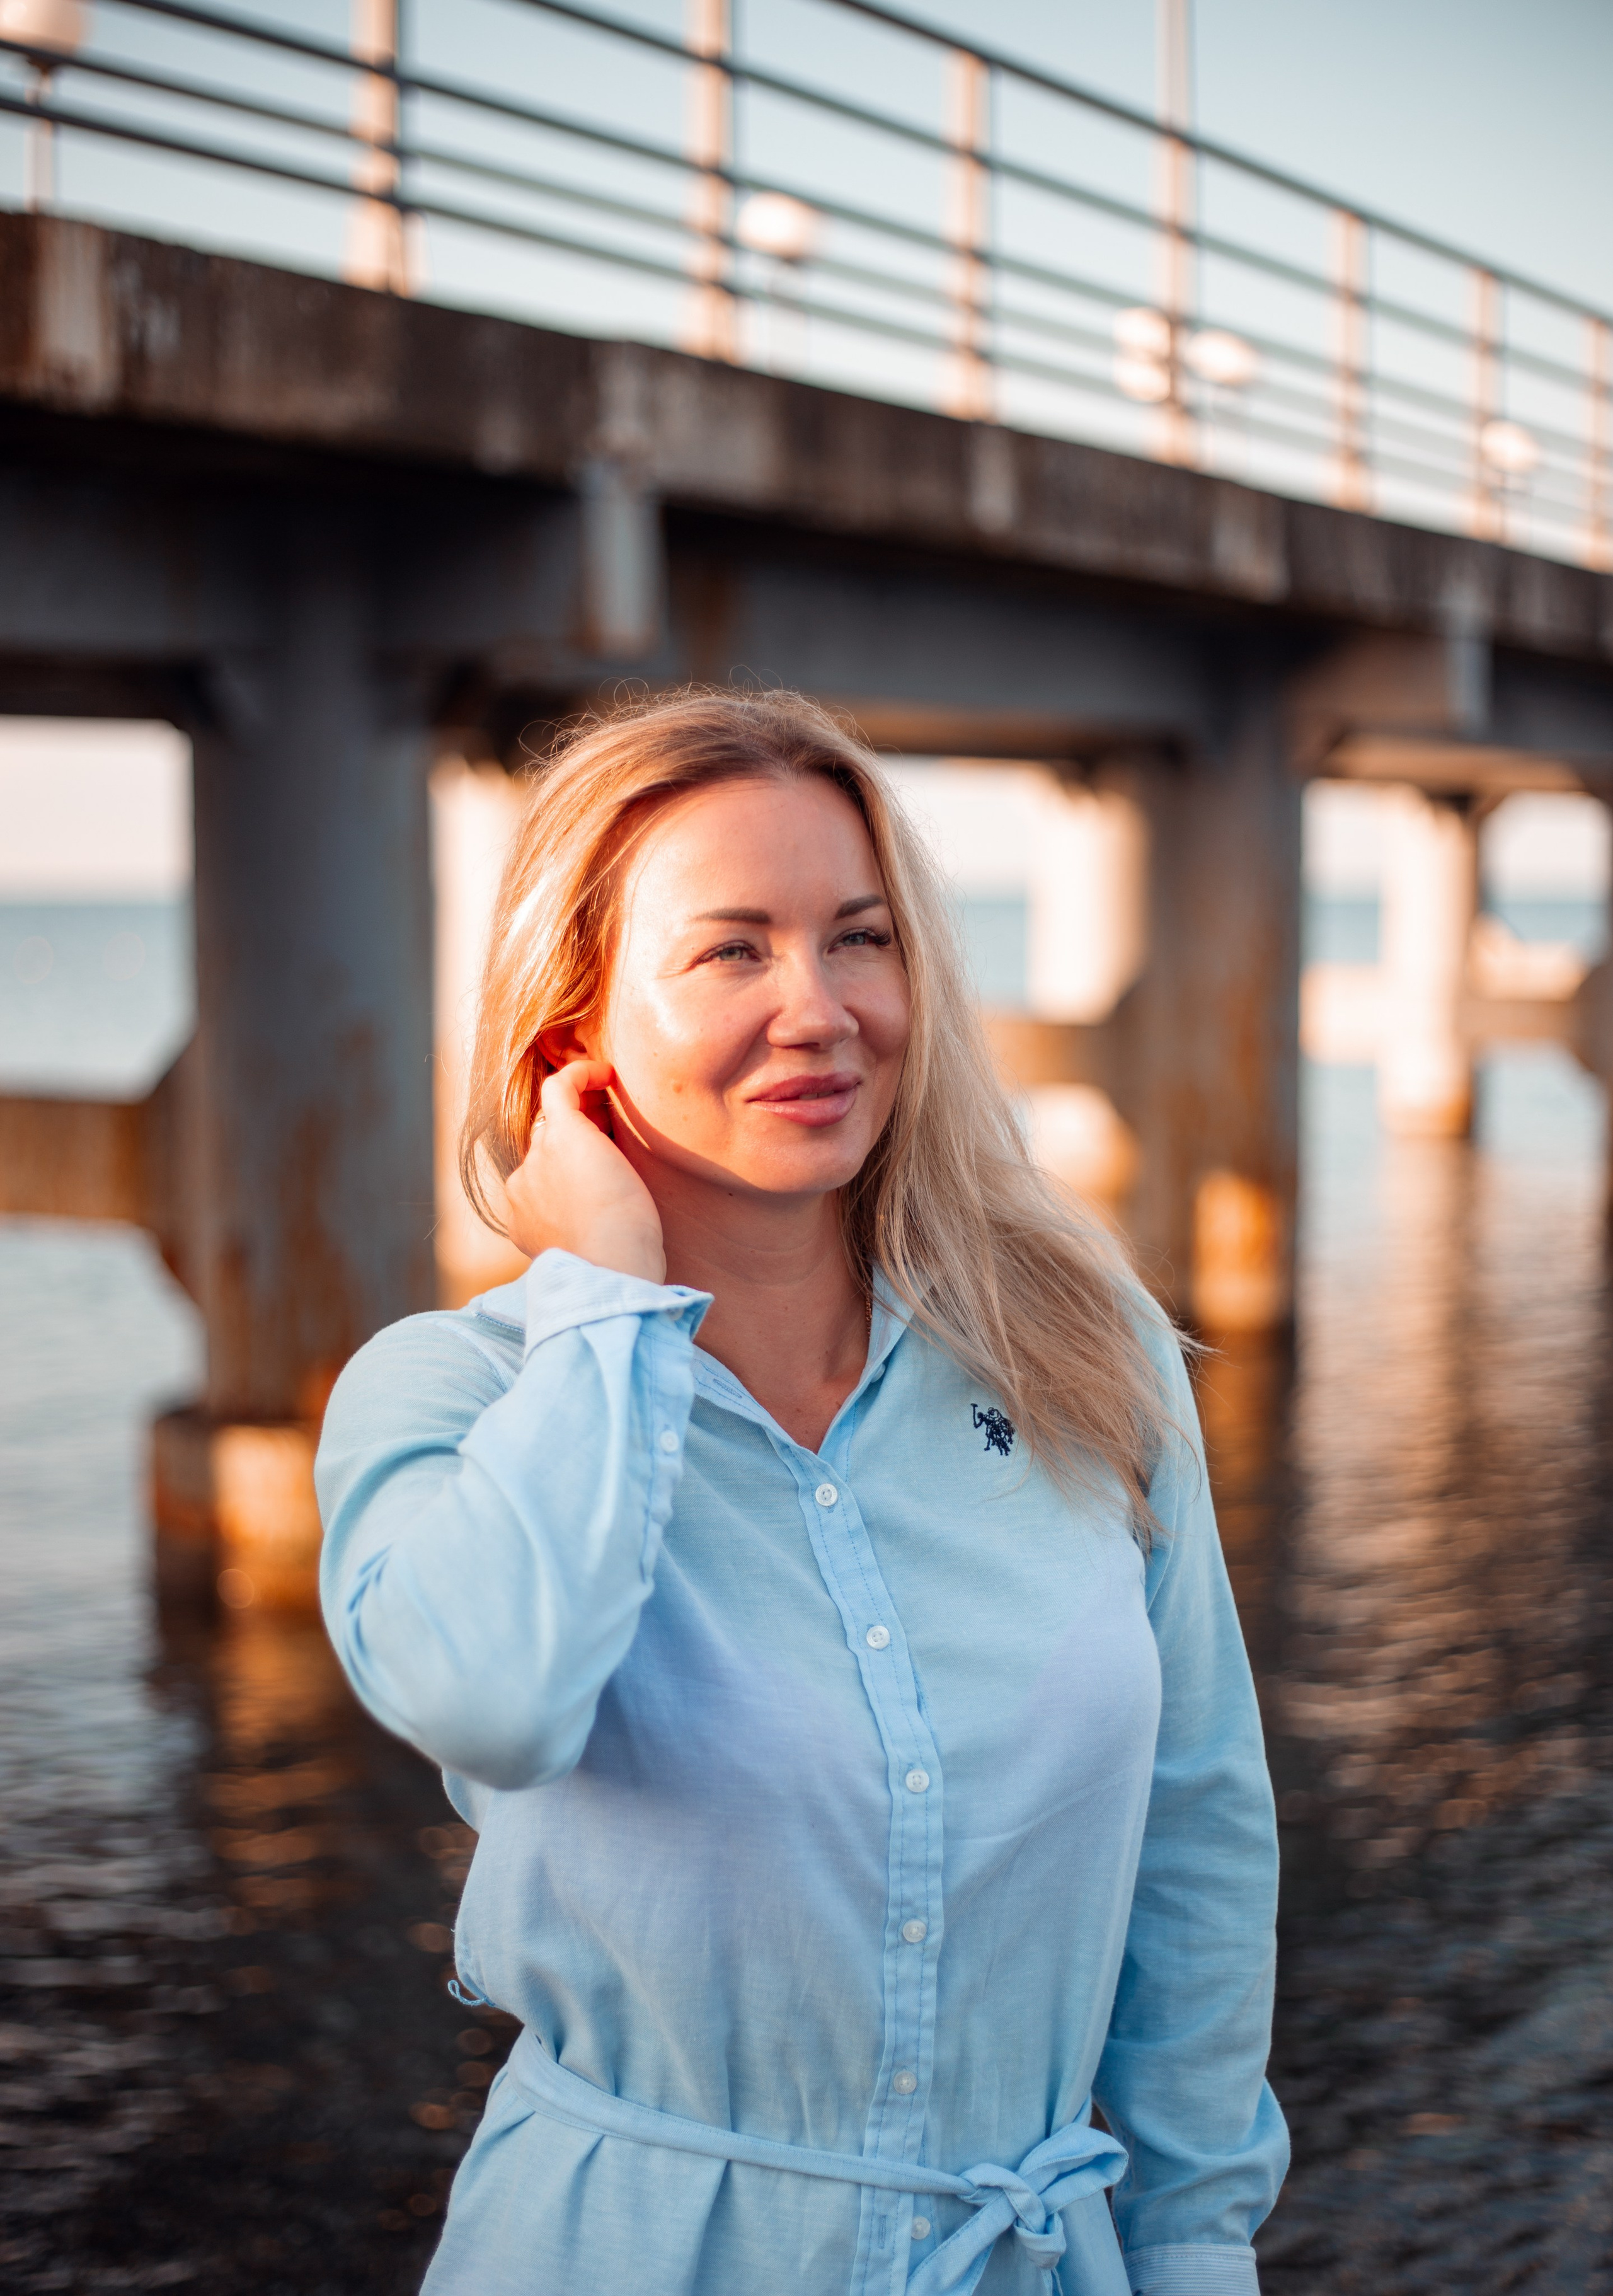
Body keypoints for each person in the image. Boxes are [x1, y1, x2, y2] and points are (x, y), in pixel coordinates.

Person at [316, 689, 1287, 2296]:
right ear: (568, 1028)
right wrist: (611, 1304)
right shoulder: (456, 1397)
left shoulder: (1080, 1341)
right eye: (731, 951)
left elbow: (1198, 1826)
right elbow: (493, 1698)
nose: (822, 1008)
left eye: (859, 937)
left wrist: (1196, 2245)